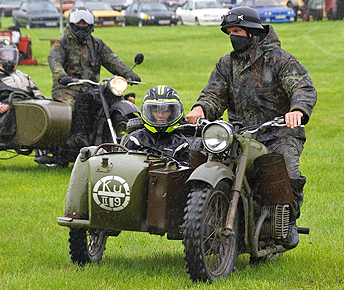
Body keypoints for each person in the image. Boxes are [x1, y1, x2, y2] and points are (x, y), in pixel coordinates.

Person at [184, 7, 316, 249]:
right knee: (196, 156)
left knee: (286, 172)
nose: (233, 36)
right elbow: (214, 93)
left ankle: (287, 222)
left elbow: (302, 87)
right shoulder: (226, 64)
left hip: (278, 132)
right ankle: (199, 215)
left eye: (237, 31)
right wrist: (201, 109)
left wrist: (297, 111)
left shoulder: (279, 59)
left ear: (253, 33)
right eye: (230, 32)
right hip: (238, 133)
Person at [47, 7, 141, 149]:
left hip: (91, 88)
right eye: (78, 24)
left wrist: (129, 74)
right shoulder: (63, 42)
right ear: (72, 25)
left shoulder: (97, 44)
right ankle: (77, 136)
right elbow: (54, 60)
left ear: (90, 26)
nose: (81, 27)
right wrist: (62, 76)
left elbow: (112, 61)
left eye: (84, 25)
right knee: (79, 104)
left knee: (111, 101)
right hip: (67, 89)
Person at [0, 40, 45, 140]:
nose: (8, 58)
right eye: (5, 55)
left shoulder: (24, 75)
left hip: (28, 105)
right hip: (8, 106)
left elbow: (37, 94)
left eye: (11, 55)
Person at [123, 86, 191, 164]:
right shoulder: (135, 139)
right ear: (149, 113)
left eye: (166, 111)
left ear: (173, 113)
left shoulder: (182, 144)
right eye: (155, 111)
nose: (160, 115)